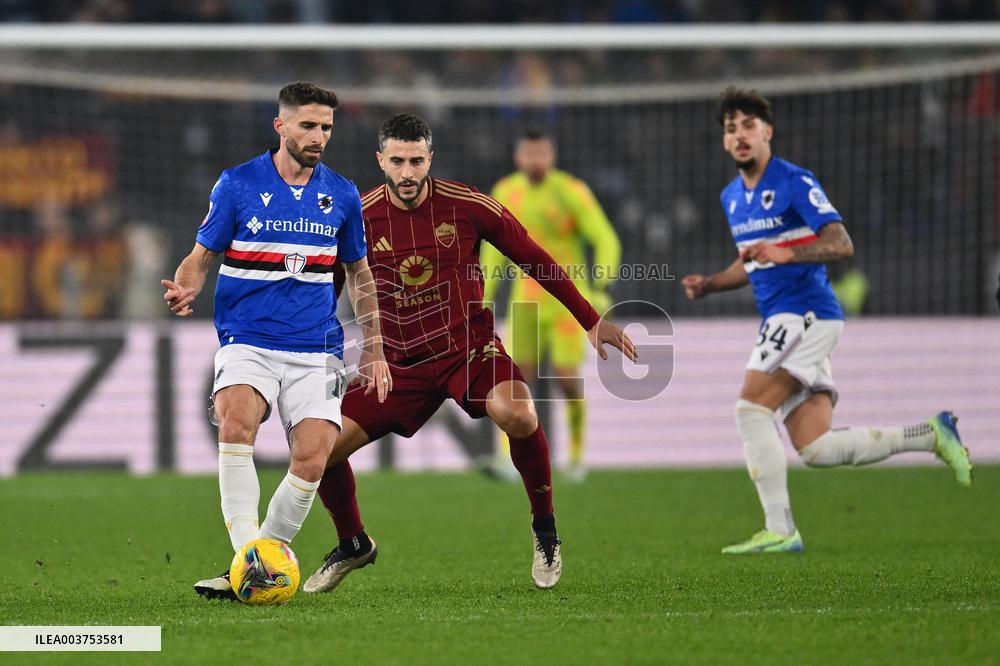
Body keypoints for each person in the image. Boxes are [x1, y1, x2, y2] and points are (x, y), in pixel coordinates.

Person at [304, 113, 637, 592]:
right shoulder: (357, 215)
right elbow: (327, 290)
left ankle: (545, 531)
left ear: (430, 159)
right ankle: (354, 542)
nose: (407, 172)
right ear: (380, 161)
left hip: (468, 349)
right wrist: (307, 347)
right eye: (397, 160)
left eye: (416, 160)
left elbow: (534, 257)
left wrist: (590, 318)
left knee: (519, 415)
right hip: (400, 364)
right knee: (319, 453)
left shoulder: (468, 205)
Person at [681, 88, 972, 555]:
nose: (739, 135)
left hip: (808, 314)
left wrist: (787, 251)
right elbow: (752, 262)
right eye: (730, 129)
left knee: (750, 410)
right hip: (785, 319)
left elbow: (841, 243)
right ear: (724, 141)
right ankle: (931, 433)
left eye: (749, 126)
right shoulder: (732, 197)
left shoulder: (795, 181)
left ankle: (780, 529)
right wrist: (712, 283)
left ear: (767, 132)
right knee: (814, 448)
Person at [161, 82, 390, 599]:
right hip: (248, 339)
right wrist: (185, 287)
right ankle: (250, 558)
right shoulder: (238, 183)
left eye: (326, 127)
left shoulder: (344, 194)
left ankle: (251, 565)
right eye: (308, 125)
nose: (318, 136)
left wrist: (373, 346)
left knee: (312, 458)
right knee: (236, 421)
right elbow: (201, 258)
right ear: (280, 125)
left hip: (316, 347)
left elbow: (360, 276)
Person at [481, 129, 621, 482]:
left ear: (551, 155)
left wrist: (601, 286)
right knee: (512, 382)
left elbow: (604, 238)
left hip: (566, 303)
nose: (535, 161)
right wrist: (480, 299)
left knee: (567, 379)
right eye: (529, 154)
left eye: (541, 154)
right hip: (525, 302)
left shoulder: (571, 191)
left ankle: (576, 458)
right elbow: (494, 252)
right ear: (518, 156)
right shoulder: (505, 192)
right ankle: (505, 459)